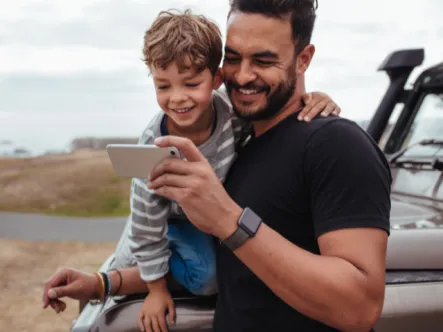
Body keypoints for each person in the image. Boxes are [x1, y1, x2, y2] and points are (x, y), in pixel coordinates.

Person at [43, 1, 391, 331]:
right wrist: (102, 283)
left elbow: (360, 307)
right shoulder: (242, 142)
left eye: (264, 60)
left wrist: (228, 220)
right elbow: (212, 265)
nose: (242, 75)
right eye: (233, 58)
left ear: (303, 60)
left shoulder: (337, 143)